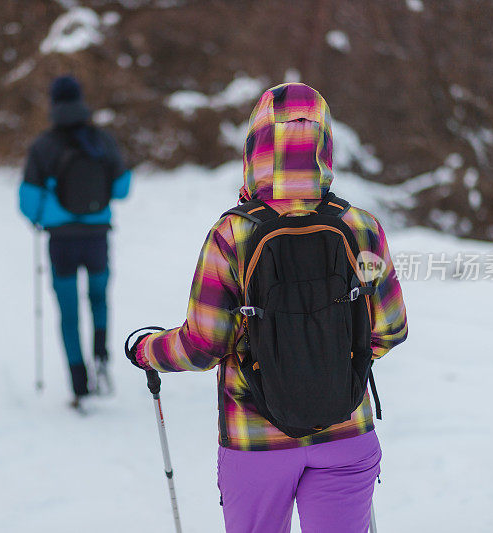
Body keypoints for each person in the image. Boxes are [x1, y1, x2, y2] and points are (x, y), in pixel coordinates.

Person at [127, 83, 407, 532]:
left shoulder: (233, 234)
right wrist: (333, 355)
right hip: (346, 431)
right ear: (325, 144)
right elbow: (390, 328)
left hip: (255, 444)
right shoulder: (361, 227)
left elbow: (203, 346)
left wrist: (148, 351)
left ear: (256, 146)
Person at [19, 75, 131, 407]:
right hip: (97, 238)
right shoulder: (102, 140)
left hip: (61, 242)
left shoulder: (43, 146)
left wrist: (44, 217)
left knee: (68, 312)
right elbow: (123, 188)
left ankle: (78, 384)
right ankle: (101, 359)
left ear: (54, 104)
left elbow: (27, 202)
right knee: (98, 300)